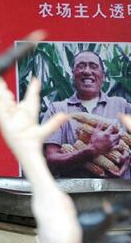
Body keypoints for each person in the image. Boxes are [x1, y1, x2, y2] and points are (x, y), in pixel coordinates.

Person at [42, 50, 131, 178]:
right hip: (75, 193)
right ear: (72, 75)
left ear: (103, 76)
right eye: (81, 66)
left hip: (119, 192)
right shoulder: (57, 110)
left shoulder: (122, 106)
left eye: (93, 66)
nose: (87, 71)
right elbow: (51, 160)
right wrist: (92, 150)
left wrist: (128, 157)